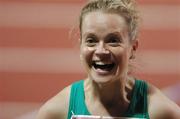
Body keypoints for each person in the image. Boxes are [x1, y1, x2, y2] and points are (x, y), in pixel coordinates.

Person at [36, 0, 180, 119]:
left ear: (133, 48)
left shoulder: (160, 111)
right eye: (91, 40)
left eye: (113, 40)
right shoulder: (56, 112)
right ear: (81, 45)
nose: (101, 51)